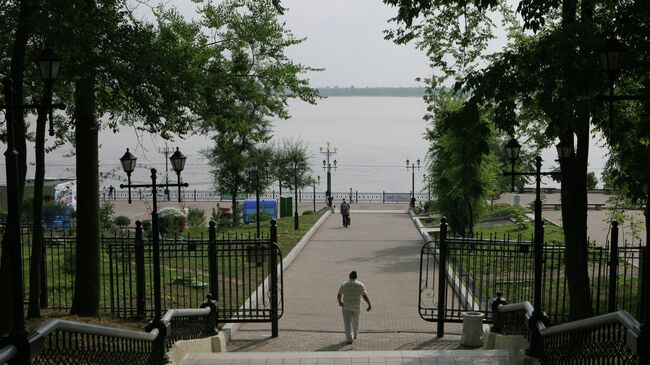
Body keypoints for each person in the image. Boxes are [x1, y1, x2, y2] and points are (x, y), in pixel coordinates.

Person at [337, 270, 371, 344]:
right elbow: (364, 296)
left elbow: (339, 295)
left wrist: (340, 302)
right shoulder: (360, 285)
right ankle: (355, 334)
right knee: (355, 321)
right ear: (356, 277)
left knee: (347, 322)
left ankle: (349, 338)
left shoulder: (344, 284)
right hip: (356, 306)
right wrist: (369, 304)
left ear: (349, 276)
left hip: (346, 306)